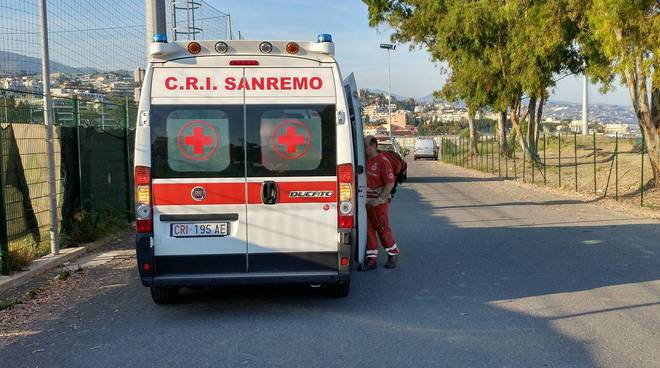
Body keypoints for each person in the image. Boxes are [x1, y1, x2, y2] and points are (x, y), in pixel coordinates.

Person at [363, 135, 400, 270]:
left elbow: (390, 183)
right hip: (365, 202)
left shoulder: (383, 162)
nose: (364, 148)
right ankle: (371, 259)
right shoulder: (363, 160)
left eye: (365, 146)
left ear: (374, 146)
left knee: (382, 228)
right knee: (368, 230)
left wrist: (378, 200)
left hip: (378, 203)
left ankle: (392, 254)